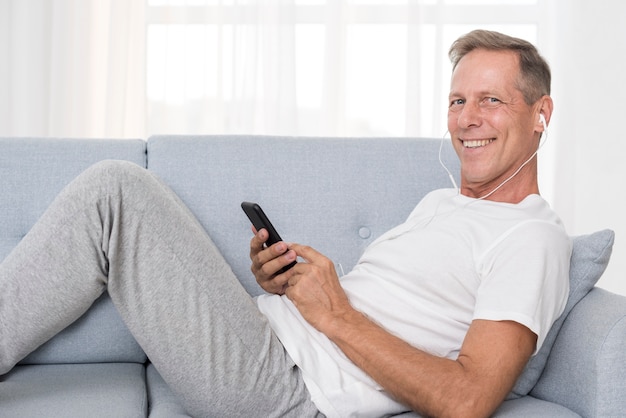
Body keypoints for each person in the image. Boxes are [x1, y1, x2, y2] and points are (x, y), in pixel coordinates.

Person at [0, 29, 570, 418]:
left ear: (540, 114)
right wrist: (291, 284)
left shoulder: (531, 239)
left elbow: (468, 401)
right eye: (456, 101)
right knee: (117, 191)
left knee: (115, 192)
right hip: (268, 336)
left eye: (490, 100)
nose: (466, 120)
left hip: (288, 386)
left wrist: (334, 313)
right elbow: (391, 308)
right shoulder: (443, 203)